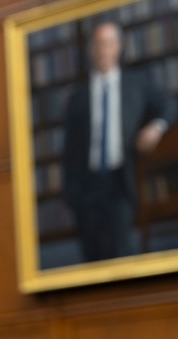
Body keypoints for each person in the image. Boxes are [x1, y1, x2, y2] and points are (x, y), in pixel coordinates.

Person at [62, 20, 177, 263]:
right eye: (97, 44)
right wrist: (71, 193)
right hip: (86, 187)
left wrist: (155, 127)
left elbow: (169, 105)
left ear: (118, 47)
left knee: (122, 253)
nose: (102, 50)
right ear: (91, 50)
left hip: (121, 180)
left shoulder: (137, 83)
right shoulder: (77, 97)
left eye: (107, 43)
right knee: (92, 258)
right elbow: (68, 150)